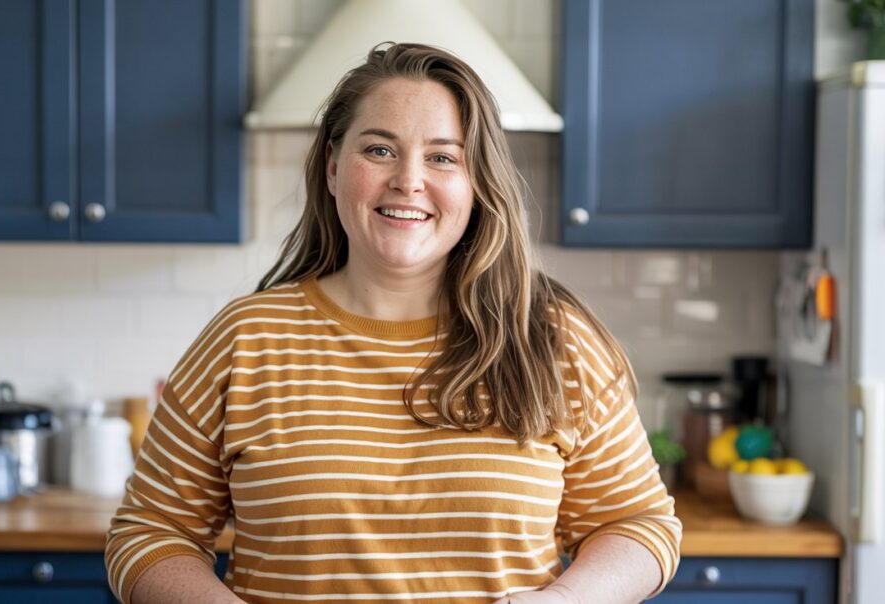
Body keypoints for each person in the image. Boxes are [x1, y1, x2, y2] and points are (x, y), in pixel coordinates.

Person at [105, 42, 681, 604]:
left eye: (442, 157)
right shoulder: (246, 338)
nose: (408, 180)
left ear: (477, 183)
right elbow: (150, 532)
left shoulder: (552, 340)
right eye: (379, 150)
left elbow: (639, 523)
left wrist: (568, 599)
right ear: (333, 168)